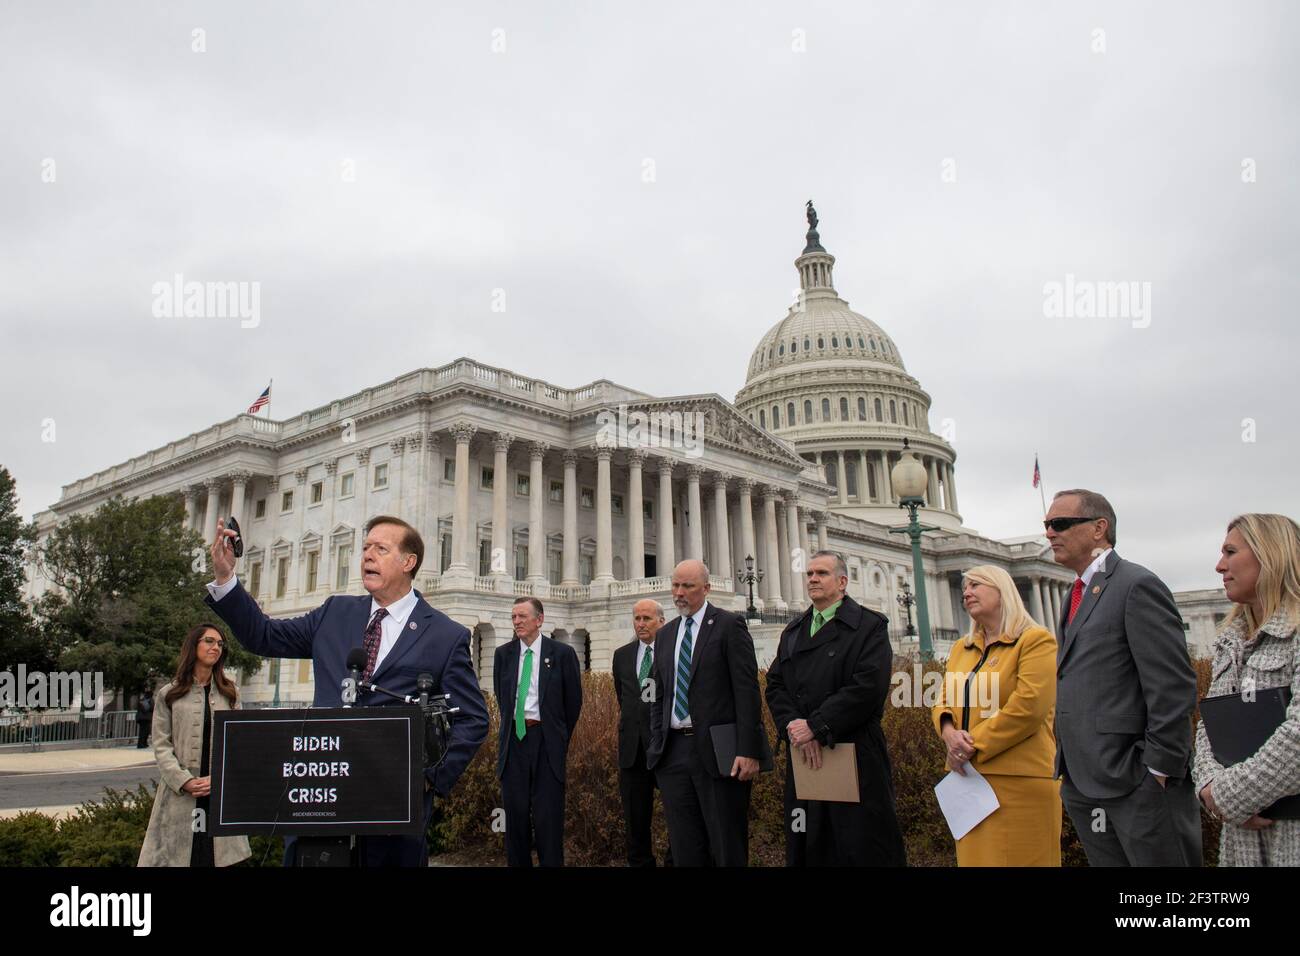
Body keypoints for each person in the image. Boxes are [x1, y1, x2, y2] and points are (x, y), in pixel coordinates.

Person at [205, 513, 488, 867]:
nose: (367, 555)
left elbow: (474, 720)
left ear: (408, 562)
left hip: (392, 815)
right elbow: (262, 635)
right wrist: (226, 577)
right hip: (320, 803)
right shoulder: (334, 613)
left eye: (380, 549)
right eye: (366, 547)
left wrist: (428, 780)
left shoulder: (445, 636)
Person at [1046, 488, 1201, 866]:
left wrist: (1158, 769)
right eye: (1047, 525)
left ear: (1100, 528)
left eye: (1061, 524)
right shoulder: (1075, 593)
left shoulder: (1136, 585)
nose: (1050, 533)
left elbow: (1172, 685)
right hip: (1084, 783)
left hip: (1136, 783)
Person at [766, 550, 906, 866]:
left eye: (822, 574)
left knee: (859, 845)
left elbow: (867, 688)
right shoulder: (793, 631)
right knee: (810, 842)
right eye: (809, 574)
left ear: (842, 582)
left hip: (853, 751)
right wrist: (793, 726)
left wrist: (816, 726)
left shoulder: (869, 627)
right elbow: (775, 684)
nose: (813, 579)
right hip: (804, 753)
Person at [932, 565, 1060, 865]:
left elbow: (1028, 708)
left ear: (1002, 591)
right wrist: (950, 735)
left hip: (1021, 782)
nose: (966, 592)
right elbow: (944, 700)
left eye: (976, 585)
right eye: (964, 587)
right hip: (969, 783)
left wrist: (970, 745)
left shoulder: (1036, 641)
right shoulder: (961, 649)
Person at [1194, 513, 1300, 866]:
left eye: (1230, 552)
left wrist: (1228, 796)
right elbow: (1208, 729)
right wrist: (1209, 789)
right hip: (1242, 838)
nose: (1219, 566)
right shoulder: (1230, 643)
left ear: (1270, 555)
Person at [648, 559, 765, 867]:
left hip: (719, 751)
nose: (679, 593)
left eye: (688, 586)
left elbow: (747, 691)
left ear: (706, 588)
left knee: (726, 844)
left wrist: (748, 749)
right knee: (686, 848)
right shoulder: (665, 634)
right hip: (673, 753)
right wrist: (656, 745)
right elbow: (659, 695)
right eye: (675, 585)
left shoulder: (729, 625)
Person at [139, 624, 250, 867]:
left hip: (217, 795)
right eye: (209, 641)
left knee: (219, 858)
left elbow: (237, 744)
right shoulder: (170, 693)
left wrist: (218, 778)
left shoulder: (230, 693)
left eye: (220, 644)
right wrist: (184, 780)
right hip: (180, 796)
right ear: (194, 646)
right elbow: (161, 746)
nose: (215, 648)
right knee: (181, 858)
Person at [493, 597, 582, 867]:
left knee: (548, 822)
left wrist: (558, 738)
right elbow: (502, 698)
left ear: (539, 620)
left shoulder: (562, 654)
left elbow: (573, 702)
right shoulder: (503, 654)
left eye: (522, 616)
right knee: (515, 823)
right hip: (515, 743)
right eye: (514, 617)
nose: (517, 622)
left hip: (547, 744)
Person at [612, 599, 671, 867]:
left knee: (678, 816)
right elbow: (625, 699)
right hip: (632, 751)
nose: (641, 624)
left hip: (668, 747)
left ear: (662, 621)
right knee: (635, 821)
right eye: (637, 618)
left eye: (647, 618)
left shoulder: (673, 653)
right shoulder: (622, 655)